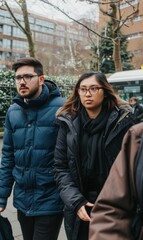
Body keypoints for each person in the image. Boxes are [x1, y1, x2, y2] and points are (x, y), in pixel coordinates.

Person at [54, 71, 135, 240]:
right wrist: (75, 201)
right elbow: (60, 167)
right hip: (79, 205)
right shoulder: (68, 122)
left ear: (105, 91)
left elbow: (132, 167)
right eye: (82, 89)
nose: (87, 94)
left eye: (93, 88)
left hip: (114, 206)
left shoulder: (124, 121)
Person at [0, 57, 65, 240]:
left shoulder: (62, 108)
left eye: (28, 76)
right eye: (18, 77)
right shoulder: (13, 111)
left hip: (51, 199)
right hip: (22, 200)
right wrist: (2, 196)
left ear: (41, 79)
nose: (22, 81)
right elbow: (8, 157)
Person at [89, 122, 143, 240]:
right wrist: (74, 199)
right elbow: (112, 211)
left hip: (105, 186)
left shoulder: (125, 120)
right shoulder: (138, 136)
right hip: (84, 197)